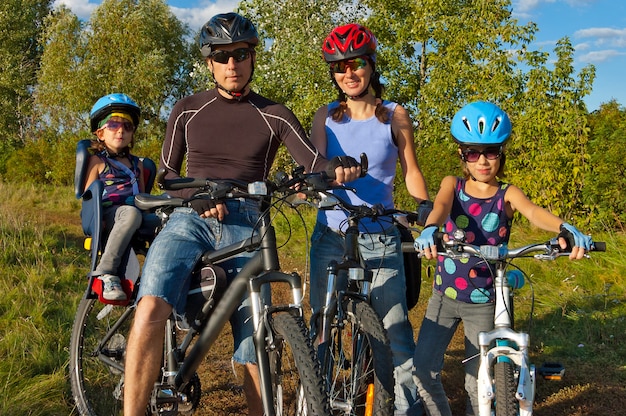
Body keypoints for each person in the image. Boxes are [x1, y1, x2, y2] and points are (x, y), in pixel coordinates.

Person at [122, 12, 361, 416]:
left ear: (252, 58)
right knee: (150, 306)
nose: (231, 63)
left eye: (239, 53)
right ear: (209, 62)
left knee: (256, 345)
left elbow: (312, 161)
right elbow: (166, 173)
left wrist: (338, 167)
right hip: (190, 217)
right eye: (221, 55)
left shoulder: (276, 114)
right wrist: (196, 194)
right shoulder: (187, 108)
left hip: (249, 225)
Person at [412, 101, 594, 416]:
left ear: (501, 153)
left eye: (491, 152)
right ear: (462, 155)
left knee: (477, 385)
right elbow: (440, 207)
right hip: (444, 296)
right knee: (423, 370)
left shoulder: (507, 193)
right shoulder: (451, 185)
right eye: (472, 153)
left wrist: (564, 227)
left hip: (484, 302)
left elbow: (534, 212)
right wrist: (430, 229)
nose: (482, 161)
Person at [309, 23, 430, 416]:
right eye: (339, 66)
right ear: (332, 73)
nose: (348, 72)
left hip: (379, 233)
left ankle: (406, 408)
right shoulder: (324, 117)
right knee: (322, 328)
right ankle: (318, 402)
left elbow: (410, 169)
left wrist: (424, 207)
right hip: (331, 231)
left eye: (356, 63)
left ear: (371, 65)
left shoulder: (393, 115)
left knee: (395, 332)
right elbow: (316, 167)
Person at [84, 93, 157, 302]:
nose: (121, 130)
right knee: (131, 213)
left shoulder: (138, 164)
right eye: (114, 124)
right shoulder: (97, 162)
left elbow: (143, 196)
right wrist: (97, 220)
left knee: (172, 219)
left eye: (127, 126)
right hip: (109, 213)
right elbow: (90, 196)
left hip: (134, 212)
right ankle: (106, 271)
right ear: (100, 132)